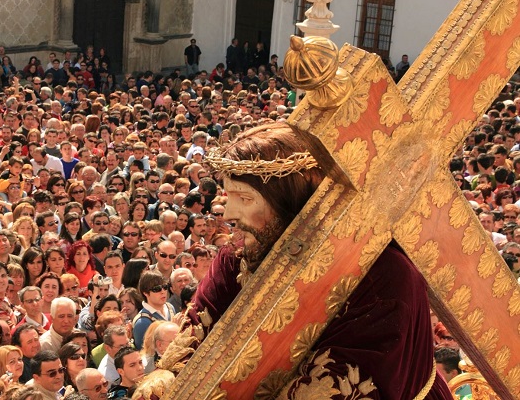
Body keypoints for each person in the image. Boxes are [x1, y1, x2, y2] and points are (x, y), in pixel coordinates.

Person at [160, 122, 452, 398]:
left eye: (245, 199)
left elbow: (339, 385)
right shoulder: (236, 257)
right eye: (228, 196)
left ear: (292, 200)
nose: (228, 214)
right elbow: (193, 342)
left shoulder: (382, 274)